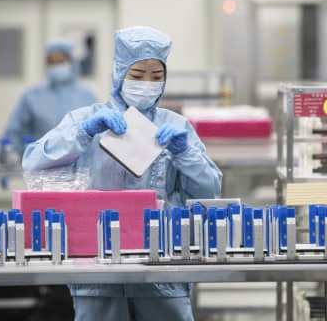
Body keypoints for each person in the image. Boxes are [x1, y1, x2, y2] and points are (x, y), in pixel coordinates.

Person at [22, 26, 223, 321]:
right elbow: (33, 163)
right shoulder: (85, 119)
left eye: (157, 77)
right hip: (97, 270)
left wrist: (185, 154)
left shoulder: (176, 127)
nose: (147, 84)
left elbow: (209, 193)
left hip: (161, 269)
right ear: (119, 73)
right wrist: (84, 132)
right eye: (138, 76)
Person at [4, 39, 98, 154]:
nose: (57, 66)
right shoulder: (33, 95)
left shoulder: (87, 95)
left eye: (61, 61)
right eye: (52, 62)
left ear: (72, 62)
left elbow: (98, 131)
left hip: (80, 163)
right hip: (41, 163)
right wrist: (25, 154)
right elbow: (13, 132)